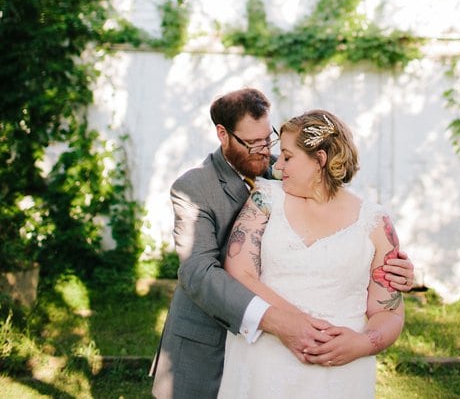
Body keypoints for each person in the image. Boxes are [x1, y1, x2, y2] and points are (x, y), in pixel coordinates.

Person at [151, 89, 414, 399]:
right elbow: (199, 273)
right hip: (213, 340)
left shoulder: (289, 170)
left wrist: (390, 269)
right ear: (223, 134)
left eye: (269, 140)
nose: (269, 155)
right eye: (254, 143)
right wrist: (286, 322)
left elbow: (341, 213)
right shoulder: (194, 187)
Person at [217, 109, 407, 399]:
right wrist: (294, 324)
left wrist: (363, 343)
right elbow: (239, 272)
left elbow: (389, 311)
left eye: (288, 157)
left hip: (339, 375)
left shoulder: (375, 222)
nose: (278, 167)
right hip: (264, 362)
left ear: (319, 160)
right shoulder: (266, 199)